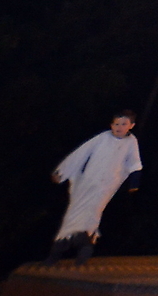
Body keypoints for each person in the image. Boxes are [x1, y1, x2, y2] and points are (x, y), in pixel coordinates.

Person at [44, 109, 143, 266]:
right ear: (111, 125)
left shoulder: (131, 142)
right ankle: (57, 251)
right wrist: (62, 172)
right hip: (88, 182)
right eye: (116, 124)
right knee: (74, 213)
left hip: (106, 186)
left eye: (124, 124)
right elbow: (81, 153)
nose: (119, 127)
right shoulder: (103, 138)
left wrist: (134, 183)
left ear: (131, 125)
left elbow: (135, 163)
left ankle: (85, 247)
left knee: (93, 212)